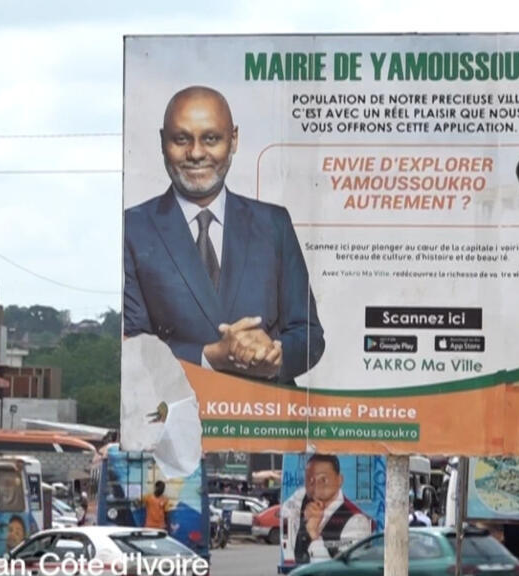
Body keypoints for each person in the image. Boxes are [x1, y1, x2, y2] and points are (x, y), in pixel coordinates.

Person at [123, 85, 325, 385]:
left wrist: (275, 355)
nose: (196, 153)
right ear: (163, 141)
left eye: (211, 139)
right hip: (181, 409)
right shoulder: (132, 229)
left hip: (266, 409)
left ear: (234, 139)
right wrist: (208, 356)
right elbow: (130, 345)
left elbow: (309, 335)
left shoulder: (273, 224)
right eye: (181, 139)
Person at [282, 454, 373, 564]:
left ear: (339, 480)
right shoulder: (301, 499)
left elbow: (346, 567)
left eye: (323, 479)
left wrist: (314, 534)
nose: (315, 486)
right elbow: (286, 512)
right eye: (310, 479)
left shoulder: (357, 521)